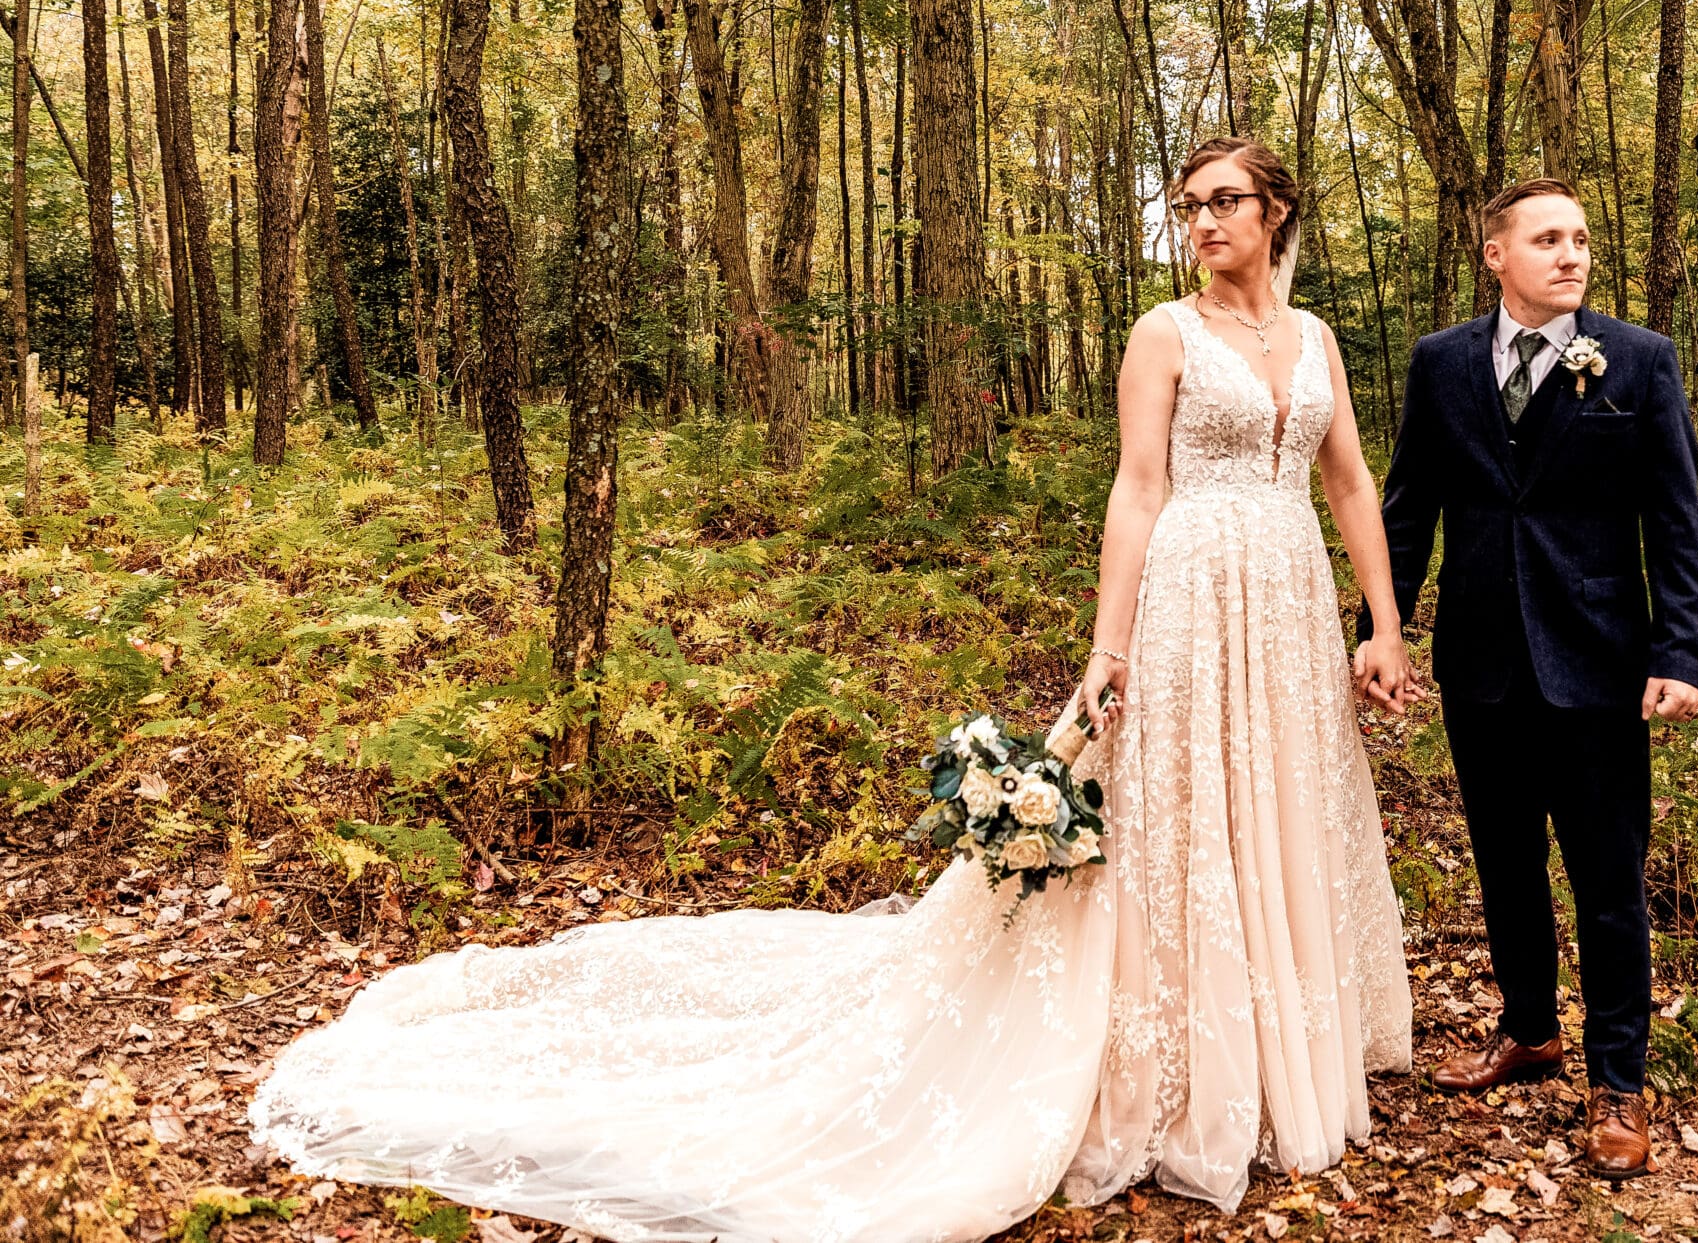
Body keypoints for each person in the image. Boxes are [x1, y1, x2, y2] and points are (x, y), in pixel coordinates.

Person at [248, 137, 1415, 1243]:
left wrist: (1383, 622)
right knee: (1177, 821)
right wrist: (1108, 650)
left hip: (1288, 607)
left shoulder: (1314, 339)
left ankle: (1274, 1055)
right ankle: (1171, 1071)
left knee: (1278, 808)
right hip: (1188, 603)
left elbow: (1352, 484)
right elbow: (1137, 490)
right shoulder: (1162, 332)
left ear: (1274, 214)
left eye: (1224, 202)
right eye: (1189, 205)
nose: (1203, 222)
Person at [1356, 174, 1698, 1179]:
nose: (1571, 254)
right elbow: (1407, 507)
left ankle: (1618, 1081)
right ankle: (1527, 1030)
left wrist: (1679, 654)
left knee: (1606, 879)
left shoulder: (1639, 362)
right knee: (1504, 864)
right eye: (1548, 239)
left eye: (1582, 239)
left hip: (1599, 662)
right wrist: (1381, 631)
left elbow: (1676, 521)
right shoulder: (1440, 365)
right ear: (1495, 256)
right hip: (1479, 662)